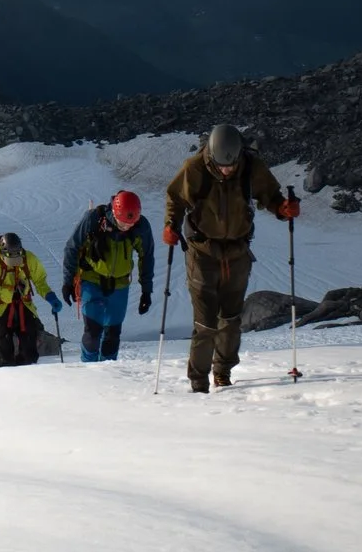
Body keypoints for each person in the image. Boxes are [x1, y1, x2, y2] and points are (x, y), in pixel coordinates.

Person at [163, 123, 298, 393]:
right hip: (202, 253)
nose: (227, 170)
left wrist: (283, 209)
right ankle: (199, 382)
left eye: (231, 165)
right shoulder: (195, 168)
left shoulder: (250, 167)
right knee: (205, 324)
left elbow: (270, 195)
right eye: (221, 166)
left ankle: (222, 372)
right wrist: (170, 225)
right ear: (211, 156)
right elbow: (175, 199)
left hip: (237, 253)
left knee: (231, 319)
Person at [60, 189, 154, 362]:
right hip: (92, 280)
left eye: (131, 224)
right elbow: (72, 247)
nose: (127, 227)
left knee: (112, 336)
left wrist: (146, 291)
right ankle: (88, 370)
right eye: (123, 224)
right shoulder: (93, 219)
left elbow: (146, 257)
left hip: (120, 285)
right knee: (93, 333)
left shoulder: (140, 226)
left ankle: (109, 371)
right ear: (115, 213)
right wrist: (68, 282)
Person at [0, 231, 60, 367]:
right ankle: (7, 373)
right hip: (0, 308)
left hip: (23, 304)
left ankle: (28, 371)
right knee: (4, 348)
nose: (15, 259)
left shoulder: (29, 258)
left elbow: (40, 281)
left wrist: (49, 296)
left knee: (29, 348)